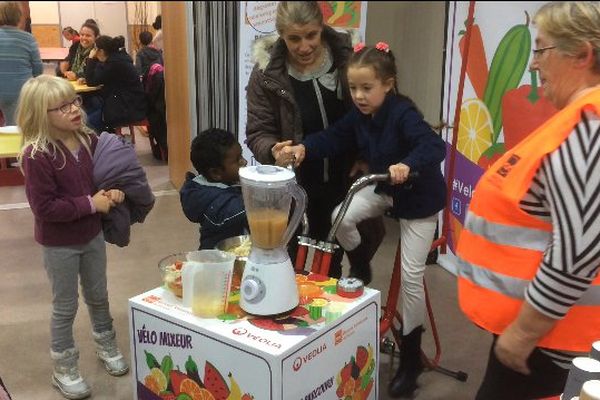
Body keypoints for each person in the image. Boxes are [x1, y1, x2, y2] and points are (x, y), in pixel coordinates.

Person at [280, 42, 447, 398]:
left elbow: (434, 147)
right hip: (385, 188)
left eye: (366, 88)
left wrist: (408, 165)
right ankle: (361, 265)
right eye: (353, 88)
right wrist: (304, 147)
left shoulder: (403, 113)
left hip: (418, 197)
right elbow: (335, 137)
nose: (358, 95)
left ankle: (411, 360)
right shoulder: (360, 115)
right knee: (340, 217)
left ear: (388, 83)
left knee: (413, 277)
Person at [455, 2, 600, 399]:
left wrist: (522, 333)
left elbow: (578, 253)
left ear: (583, 54)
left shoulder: (589, 127)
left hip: (552, 343)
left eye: (542, 50)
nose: (533, 65)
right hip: (546, 335)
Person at [245, 1, 385, 282]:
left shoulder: (352, 59)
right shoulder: (265, 73)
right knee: (299, 260)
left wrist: (370, 154)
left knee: (349, 247)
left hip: (349, 176)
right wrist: (273, 150)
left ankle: (342, 309)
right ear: (282, 35)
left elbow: (383, 112)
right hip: (298, 185)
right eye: (294, 38)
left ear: (322, 28)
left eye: (311, 35)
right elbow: (258, 132)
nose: (304, 46)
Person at [16, 75, 129, 400]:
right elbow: (45, 208)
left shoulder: (87, 140)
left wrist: (110, 191)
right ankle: (63, 367)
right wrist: (91, 203)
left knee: (98, 295)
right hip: (59, 245)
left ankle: (106, 345)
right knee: (65, 306)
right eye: (62, 107)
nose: (73, 109)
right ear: (40, 114)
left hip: (91, 235)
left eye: (74, 102)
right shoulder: (37, 155)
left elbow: (97, 181)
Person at [180, 128, 249, 250]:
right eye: (238, 160)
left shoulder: (224, 182)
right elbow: (247, 209)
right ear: (216, 173)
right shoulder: (211, 198)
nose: (244, 162)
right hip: (217, 260)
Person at [84, 34, 147, 132]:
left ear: (101, 51)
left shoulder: (114, 63)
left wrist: (91, 59)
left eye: (95, 50)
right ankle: (109, 135)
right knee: (92, 104)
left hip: (128, 107)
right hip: (129, 101)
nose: (94, 53)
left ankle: (107, 141)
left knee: (88, 123)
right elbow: (98, 76)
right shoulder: (117, 59)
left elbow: (91, 82)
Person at [0, 1, 42, 125]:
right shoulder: (28, 38)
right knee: (17, 127)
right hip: (21, 91)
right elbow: (38, 69)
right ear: (18, 15)